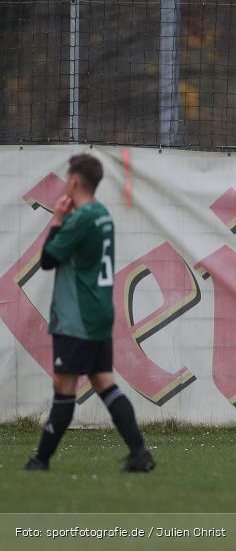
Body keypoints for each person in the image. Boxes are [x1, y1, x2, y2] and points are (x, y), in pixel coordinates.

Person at [24, 154, 155, 472]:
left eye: (67, 177)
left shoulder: (80, 219)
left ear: (74, 182)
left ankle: (40, 461)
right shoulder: (103, 215)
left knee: (64, 386)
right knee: (103, 381)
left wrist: (56, 220)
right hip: (98, 312)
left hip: (77, 316)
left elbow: (48, 259)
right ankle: (139, 452)